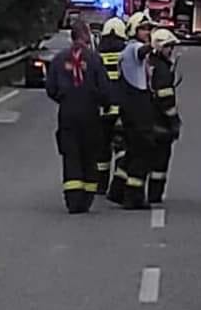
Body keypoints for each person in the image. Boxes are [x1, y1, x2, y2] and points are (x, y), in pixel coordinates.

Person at [45, 19, 110, 214]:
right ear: (85, 36)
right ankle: (86, 199)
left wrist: (65, 99)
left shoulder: (59, 59)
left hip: (67, 114)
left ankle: (73, 200)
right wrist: (104, 104)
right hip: (90, 114)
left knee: (71, 156)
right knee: (89, 156)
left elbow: (51, 88)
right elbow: (105, 89)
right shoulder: (94, 59)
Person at [116, 11, 155, 209]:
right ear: (133, 30)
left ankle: (117, 189)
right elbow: (142, 51)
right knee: (142, 151)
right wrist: (155, 45)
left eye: (149, 29)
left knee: (132, 151)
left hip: (131, 105)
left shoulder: (127, 49)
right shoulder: (133, 48)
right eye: (143, 29)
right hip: (137, 106)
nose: (147, 32)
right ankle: (134, 196)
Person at [147, 28, 181, 204]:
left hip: (148, 120)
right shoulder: (161, 69)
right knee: (160, 162)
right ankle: (155, 194)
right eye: (168, 47)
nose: (171, 51)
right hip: (160, 123)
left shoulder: (150, 64)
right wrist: (174, 121)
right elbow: (165, 98)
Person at [96, 16, 127, 198]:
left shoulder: (97, 56)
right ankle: (118, 183)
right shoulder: (126, 55)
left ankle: (101, 185)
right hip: (122, 111)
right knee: (122, 148)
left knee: (102, 150)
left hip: (103, 111)